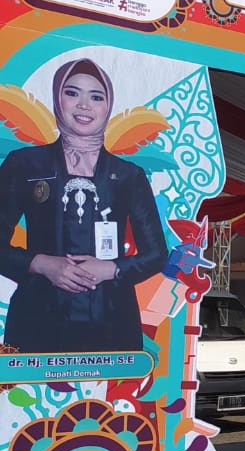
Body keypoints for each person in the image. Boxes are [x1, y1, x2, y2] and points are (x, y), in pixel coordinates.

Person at [0, 58, 166, 353]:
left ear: (108, 106)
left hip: (111, 320)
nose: (84, 105)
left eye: (96, 97)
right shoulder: (24, 164)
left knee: (111, 386)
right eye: (72, 93)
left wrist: (112, 269)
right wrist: (41, 264)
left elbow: (156, 254)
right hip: (37, 319)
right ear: (57, 98)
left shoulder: (129, 175)